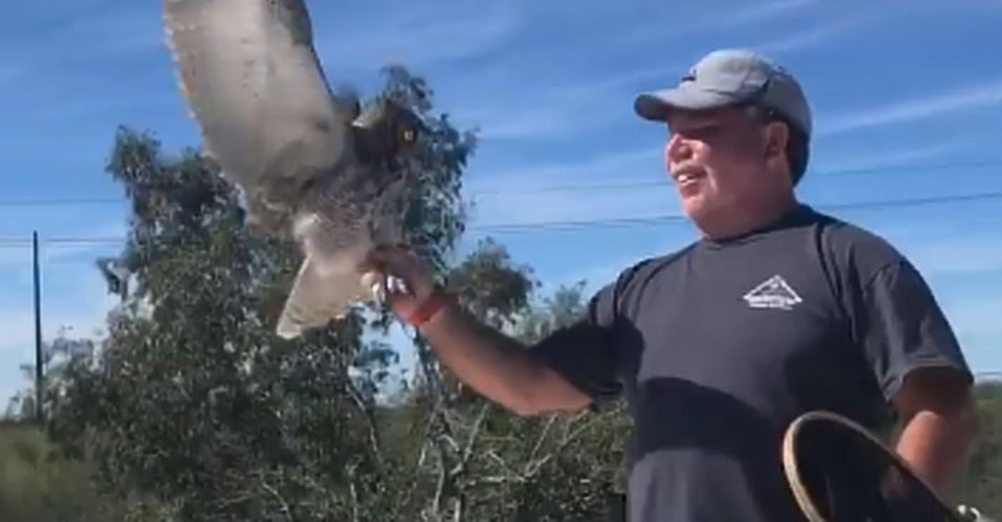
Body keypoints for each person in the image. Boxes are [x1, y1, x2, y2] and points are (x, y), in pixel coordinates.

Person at [366, 49, 980, 522]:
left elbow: (942, 406)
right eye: (670, 136)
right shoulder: (642, 290)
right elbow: (530, 387)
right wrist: (430, 308)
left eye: (701, 128)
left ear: (773, 141)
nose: (676, 151)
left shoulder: (849, 258)